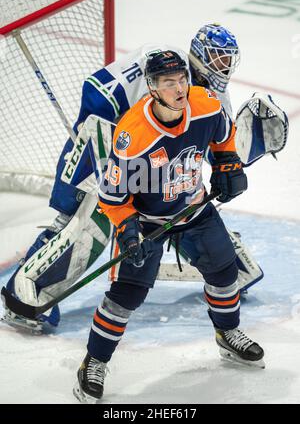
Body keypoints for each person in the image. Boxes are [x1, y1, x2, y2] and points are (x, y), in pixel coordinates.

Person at [2, 24, 287, 332]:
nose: (223, 67)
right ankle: (27, 292)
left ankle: (227, 267)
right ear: (199, 55)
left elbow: (221, 147)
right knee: (92, 215)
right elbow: (97, 92)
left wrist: (238, 157)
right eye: (218, 59)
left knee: (182, 201)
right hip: (109, 140)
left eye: (228, 60)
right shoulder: (160, 61)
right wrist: (114, 146)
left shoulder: (213, 95)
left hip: (158, 163)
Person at [73, 50, 264, 404]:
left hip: (193, 210)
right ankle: (93, 361)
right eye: (168, 82)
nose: (179, 88)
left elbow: (224, 135)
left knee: (224, 274)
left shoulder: (204, 104)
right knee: (126, 296)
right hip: (147, 222)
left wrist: (226, 165)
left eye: (182, 80)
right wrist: (129, 231)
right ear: (152, 88)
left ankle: (228, 334)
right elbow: (113, 198)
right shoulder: (134, 136)